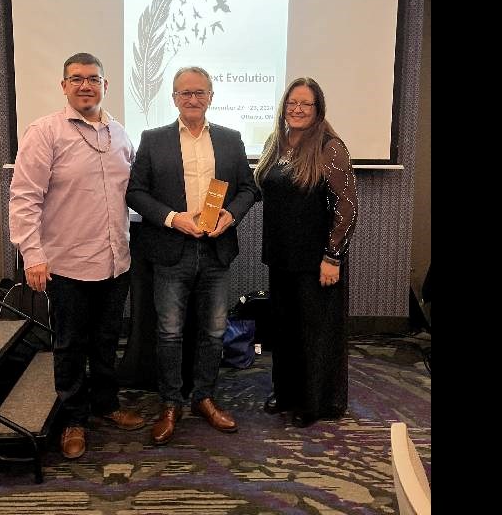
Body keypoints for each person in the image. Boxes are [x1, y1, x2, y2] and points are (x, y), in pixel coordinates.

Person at [9, 52, 146, 460]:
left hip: (114, 261)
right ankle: (73, 418)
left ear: (106, 85)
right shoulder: (44, 132)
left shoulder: (119, 134)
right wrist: (32, 255)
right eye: (77, 78)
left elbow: (132, 195)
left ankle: (105, 406)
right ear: (64, 85)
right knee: (69, 344)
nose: (86, 85)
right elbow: (24, 198)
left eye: (93, 79)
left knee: (106, 340)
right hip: (65, 263)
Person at [126, 66, 260, 445]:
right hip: (172, 250)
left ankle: (203, 396)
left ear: (211, 97)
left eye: (200, 92)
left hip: (216, 251)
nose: (193, 99)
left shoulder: (232, 140)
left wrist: (230, 215)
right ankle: (170, 403)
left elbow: (249, 190)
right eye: (185, 93)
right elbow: (135, 193)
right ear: (173, 98)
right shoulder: (153, 140)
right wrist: (172, 219)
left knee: (214, 332)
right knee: (169, 333)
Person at [253, 77, 359, 428]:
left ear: (318, 109)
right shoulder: (277, 141)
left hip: (316, 261)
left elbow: (347, 207)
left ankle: (314, 402)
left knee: (314, 333)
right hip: (281, 257)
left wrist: (333, 257)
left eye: (305, 104)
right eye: (291, 103)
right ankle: (285, 393)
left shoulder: (330, 146)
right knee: (285, 330)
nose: (297, 109)